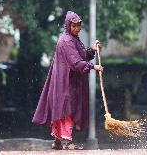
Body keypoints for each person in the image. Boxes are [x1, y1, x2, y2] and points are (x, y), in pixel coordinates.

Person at [32, 11, 103, 150]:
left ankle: (58, 141)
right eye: (74, 26)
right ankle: (68, 142)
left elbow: (81, 55)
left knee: (62, 110)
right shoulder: (66, 41)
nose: (77, 28)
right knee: (67, 110)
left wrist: (92, 50)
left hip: (65, 82)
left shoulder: (72, 39)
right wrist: (93, 66)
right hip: (65, 83)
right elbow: (76, 62)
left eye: (79, 25)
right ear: (68, 25)